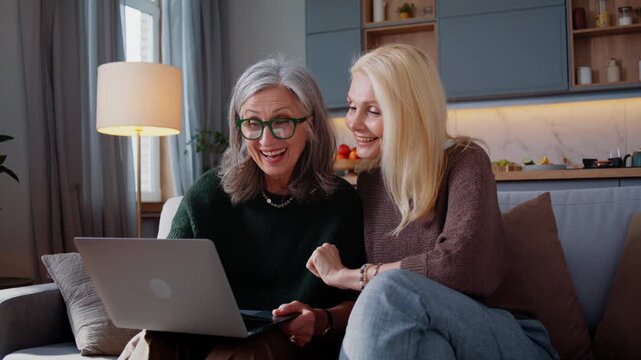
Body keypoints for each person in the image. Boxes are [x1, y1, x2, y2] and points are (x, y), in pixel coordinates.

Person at [306, 44, 560, 359]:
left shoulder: (466, 162)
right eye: (351, 106)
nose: (353, 123)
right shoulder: (370, 183)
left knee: (388, 288)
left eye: (373, 110)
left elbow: (458, 266)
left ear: (410, 112)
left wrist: (349, 275)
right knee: (429, 349)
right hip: (434, 340)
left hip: (507, 339)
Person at [120, 57, 365, 360]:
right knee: (157, 342)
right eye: (252, 123)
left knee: (246, 352)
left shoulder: (341, 203)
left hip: (290, 343)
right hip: (207, 334)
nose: (266, 140)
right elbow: (168, 283)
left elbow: (361, 302)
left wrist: (319, 319)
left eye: (281, 122)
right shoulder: (209, 193)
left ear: (309, 125)